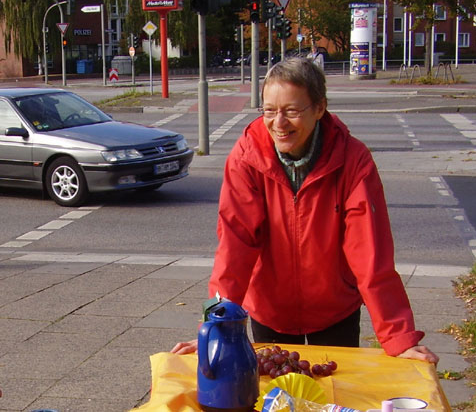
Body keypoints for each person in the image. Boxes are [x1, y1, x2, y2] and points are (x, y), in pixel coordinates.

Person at [172, 57, 438, 364]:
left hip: (335, 310)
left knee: (336, 397)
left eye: (292, 111)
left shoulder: (353, 160)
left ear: (320, 108)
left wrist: (397, 337)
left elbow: (371, 254)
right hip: (270, 311)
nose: (279, 123)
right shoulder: (247, 158)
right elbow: (234, 248)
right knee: (278, 400)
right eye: (269, 111)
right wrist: (215, 328)